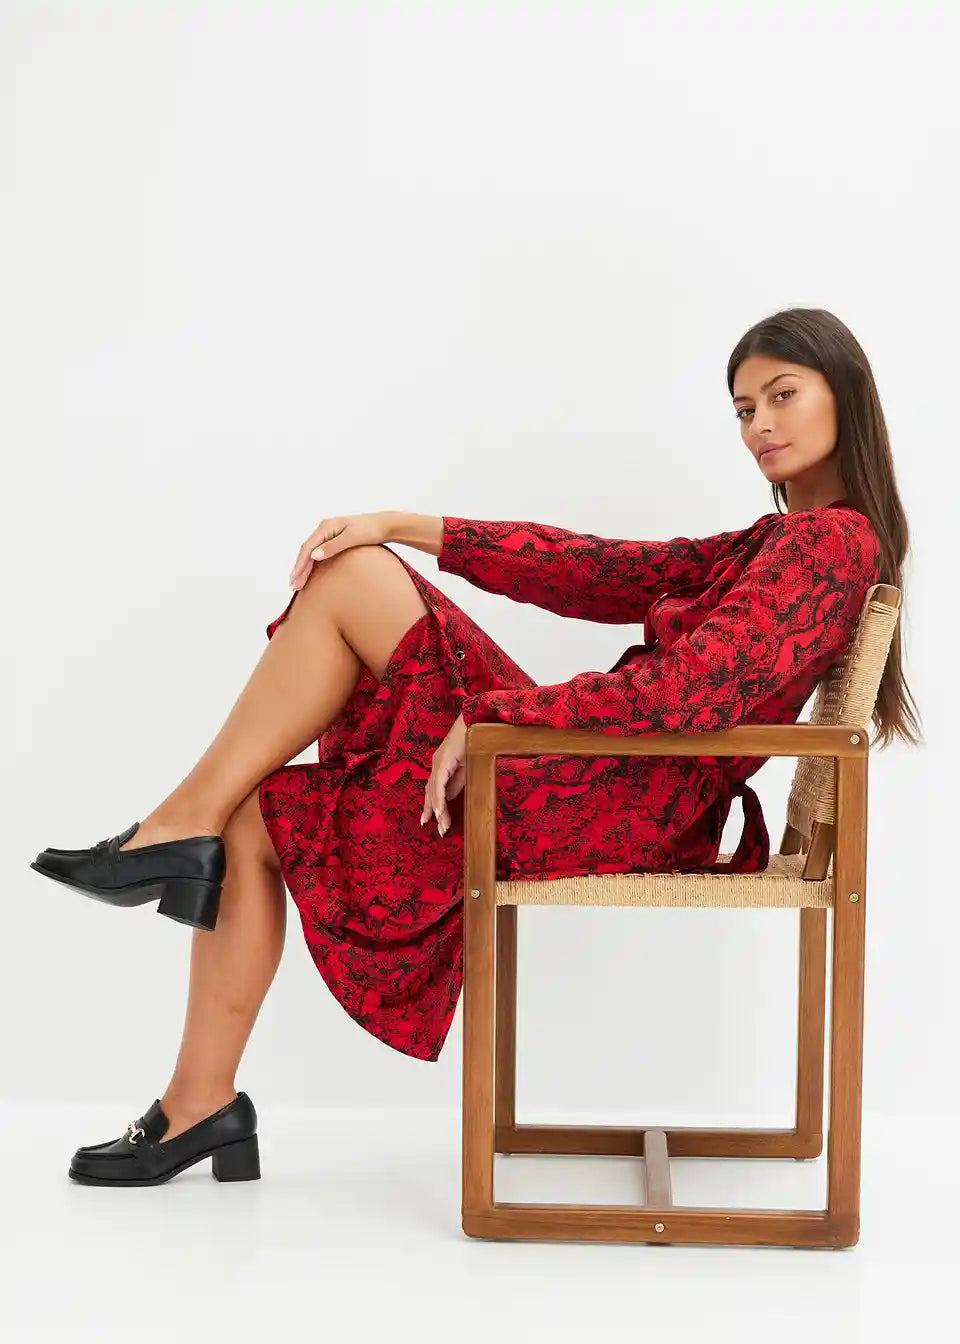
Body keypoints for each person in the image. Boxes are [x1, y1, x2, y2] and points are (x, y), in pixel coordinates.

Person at [30, 305, 922, 1186]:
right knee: (268, 790)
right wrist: (406, 523)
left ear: (843, 394)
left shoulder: (831, 542)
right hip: (606, 776)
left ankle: (175, 839)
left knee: (349, 587)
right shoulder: (782, 539)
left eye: (782, 395)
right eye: (743, 408)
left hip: (616, 798)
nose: (759, 425)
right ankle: (200, 1088)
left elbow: (689, 693)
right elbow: (596, 569)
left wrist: (500, 712)